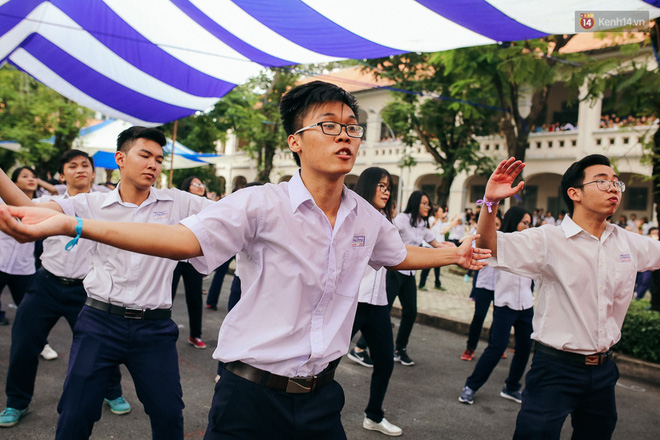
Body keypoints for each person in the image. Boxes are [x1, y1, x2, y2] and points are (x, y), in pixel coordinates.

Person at [0, 81, 490, 439]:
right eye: (328, 125)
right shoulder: (259, 203)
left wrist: (456, 250)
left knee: (168, 416)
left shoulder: (365, 216)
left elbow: (401, 254)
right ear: (295, 142)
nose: (345, 136)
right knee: (79, 413)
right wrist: (74, 224)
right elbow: (181, 241)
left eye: (351, 127)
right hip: (249, 396)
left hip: (322, 396)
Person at [0, 127, 214, 439]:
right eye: (145, 155)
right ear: (120, 159)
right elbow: (32, 211)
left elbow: (235, 214)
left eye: (158, 158)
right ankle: (18, 401)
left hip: (154, 328)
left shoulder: (179, 203)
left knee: (168, 414)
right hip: (100, 322)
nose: (153, 164)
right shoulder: (91, 204)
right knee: (75, 412)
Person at [476, 155, 660, 440]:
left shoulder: (628, 242)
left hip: (603, 371)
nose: (614, 188)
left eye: (616, 183)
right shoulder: (549, 240)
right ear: (574, 193)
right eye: (602, 181)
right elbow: (489, 245)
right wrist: (490, 202)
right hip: (555, 369)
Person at [0, 150, 130, 428]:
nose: (80, 169)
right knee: (24, 344)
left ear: (93, 173)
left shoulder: (106, 205)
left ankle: (113, 392)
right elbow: (21, 207)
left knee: (101, 346)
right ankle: (16, 402)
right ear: (62, 175)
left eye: (85, 165)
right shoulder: (50, 203)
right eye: (72, 166)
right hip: (46, 284)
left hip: (87, 290)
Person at [345, 167, 402, 436]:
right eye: (381, 185)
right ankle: (307, 409)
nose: (386, 191)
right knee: (325, 361)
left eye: (388, 187)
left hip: (377, 303)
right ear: (368, 186)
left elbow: (398, 256)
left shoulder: (386, 220)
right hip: (352, 300)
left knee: (385, 362)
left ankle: (374, 415)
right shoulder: (353, 217)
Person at [459, 206, 534, 405]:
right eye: (524, 222)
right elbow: (483, 241)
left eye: (529, 223)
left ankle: (511, 386)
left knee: (525, 348)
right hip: (505, 304)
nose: (527, 227)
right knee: (496, 347)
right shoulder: (500, 243)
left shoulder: (532, 246)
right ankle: (470, 386)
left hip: (526, 305)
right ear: (514, 221)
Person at [387, 191, 456, 367]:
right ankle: (361, 348)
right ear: (415, 203)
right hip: (394, 273)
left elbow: (436, 244)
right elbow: (387, 237)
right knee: (381, 311)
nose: (428, 207)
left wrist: (452, 249)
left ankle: (399, 349)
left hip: (410, 274)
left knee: (410, 312)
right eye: (424, 203)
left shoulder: (422, 224)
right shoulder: (402, 219)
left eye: (429, 204)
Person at [171, 175, 209, 349]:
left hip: (194, 258)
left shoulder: (209, 206)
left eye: (201, 184)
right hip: (174, 256)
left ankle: (195, 335)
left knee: (194, 298)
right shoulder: (178, 203)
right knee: (166, 295)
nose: (200, 186)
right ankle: (163, 332)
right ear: (187, 186)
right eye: (196, 184)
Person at [461, 211, 502, 361]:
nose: (495, 228)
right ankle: (470, 348)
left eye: (497, 225)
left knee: (498, 319)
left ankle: (496, 347)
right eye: (493, 225)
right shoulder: (480, 240)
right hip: (483, 284)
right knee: (479, 317)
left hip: (500, 286)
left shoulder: (504, 242)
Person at [0, 167, 38, 326]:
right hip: (0, 262)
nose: (31, 179)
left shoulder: (44, 205)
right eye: (25, 176)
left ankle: (41, 342)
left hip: (24, 267)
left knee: (28, 309)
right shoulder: (2, 203)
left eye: (34, 176)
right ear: (13, 183)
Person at [418, 205, 446, 291]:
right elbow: (425, 231)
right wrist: (432, 224)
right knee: (427, 267)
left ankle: (437, 283)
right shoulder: (430, 219)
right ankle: (421, 284)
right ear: (436, 212)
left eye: (442, 212)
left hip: (436, 248)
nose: (442, 213)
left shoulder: (439, 221)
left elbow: (441, 232)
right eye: (440, 211)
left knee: (438, 267)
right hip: (428, 247)